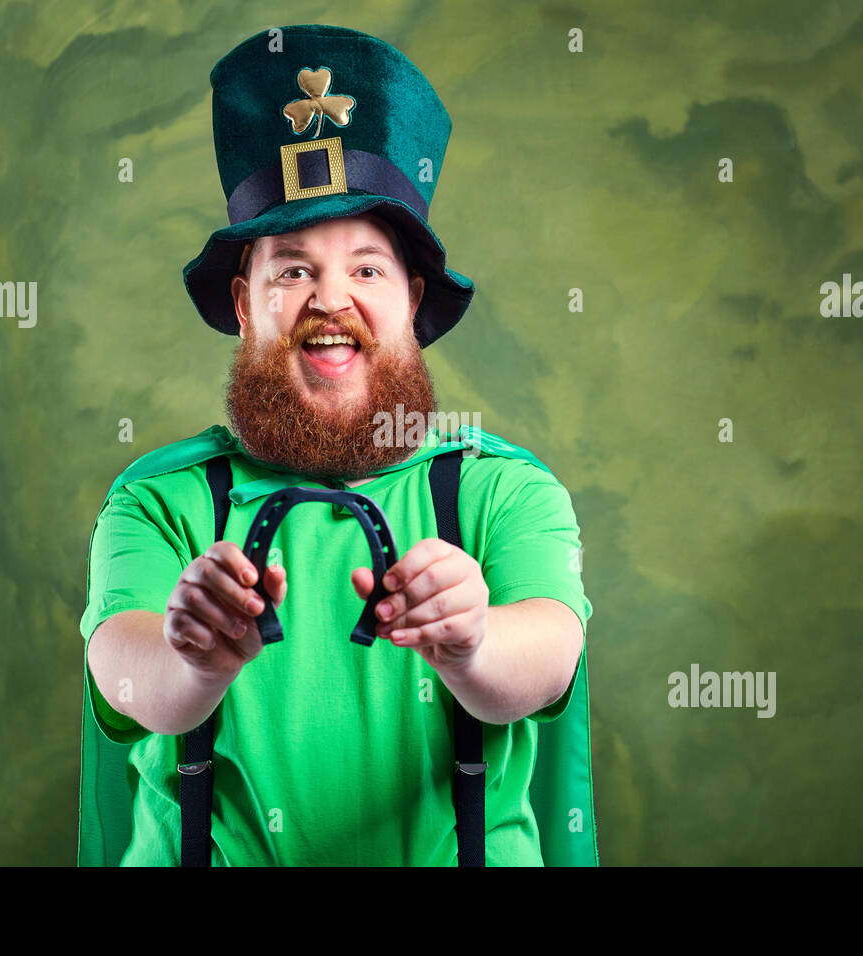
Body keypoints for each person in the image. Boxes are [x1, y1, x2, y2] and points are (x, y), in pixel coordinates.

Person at [77, 24, 596, 866]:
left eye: (366, 267)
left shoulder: (504, 491)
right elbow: (130, 684)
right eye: (290, 269)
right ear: (246, 305)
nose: (330, 298)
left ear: (411, 302)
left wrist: (472, 643)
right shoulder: (157, 500)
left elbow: (544, 658)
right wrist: (195, 658)